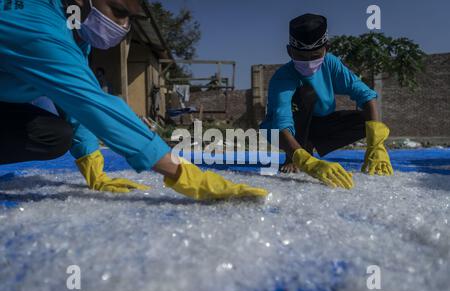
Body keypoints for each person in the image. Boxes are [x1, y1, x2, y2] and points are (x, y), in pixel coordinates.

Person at [0, 0, 267, 200]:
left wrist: (93, 167)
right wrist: (187, 177)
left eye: (129, 18)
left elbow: (74, 99)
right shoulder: (39, 29)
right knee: (46, 111)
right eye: (118, 11)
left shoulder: (72, 29)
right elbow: (91, 103)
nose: (124, 26)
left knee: (53, 133)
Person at [260, 13, 394, 189]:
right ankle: (293, 154)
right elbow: (281, 121)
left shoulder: (331, 64)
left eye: (315, 55)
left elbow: (366, 95)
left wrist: (376, 145)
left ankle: (306, 146)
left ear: (326, 49)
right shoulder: (283, 77)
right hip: (282, 131)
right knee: (306, 93)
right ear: (289, 51)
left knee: (365, 120)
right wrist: (304, 160)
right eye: (301, 56)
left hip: (318, 125)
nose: (308, 63)